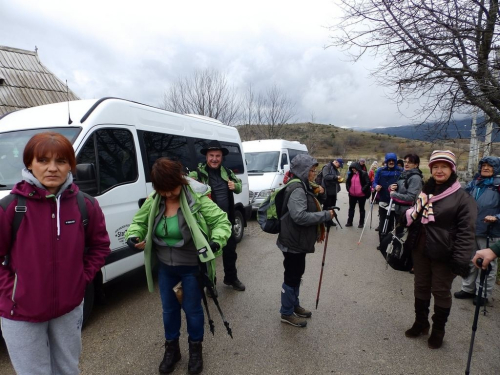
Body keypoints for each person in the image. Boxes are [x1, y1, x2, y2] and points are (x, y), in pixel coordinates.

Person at [0, 132, 110, 375]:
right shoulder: (10, 207)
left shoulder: (86, 205)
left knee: (67, 370)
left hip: (69, 309)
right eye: (43, 160)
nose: (52, 168)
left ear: (71, 165)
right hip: (20, 313)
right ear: (29, 163)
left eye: (61, 161)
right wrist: (14, 291)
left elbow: (100, 246)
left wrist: (80, 278)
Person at [126, 158, 231, 375]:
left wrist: (215, 241)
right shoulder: (155, 200)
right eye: (162, 191)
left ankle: (195, 350)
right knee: (169, 311)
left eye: (171, 189)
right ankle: (172, 350)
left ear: (180, 181)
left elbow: (222, 222)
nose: (167, 195)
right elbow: (138, 222)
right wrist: (133, 235)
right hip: (165, 267)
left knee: (192, 311)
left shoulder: (197, 199)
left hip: (191, 266)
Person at [403, 150, 476, 349]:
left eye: (444, 166)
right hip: (420, 249)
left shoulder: (462, 198)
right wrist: (409, 214)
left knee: (441, 291)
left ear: (452, 169)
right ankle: (421, 322)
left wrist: (459, 260)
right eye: (435, 166)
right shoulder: (426, 192)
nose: (439, 170)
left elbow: (466, 232)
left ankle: (438, 330)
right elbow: (414, 217)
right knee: (421, 286)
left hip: (444, 253)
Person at [277, 154, 336, 327]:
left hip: (298, 239)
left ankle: (293, 305)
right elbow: (299, 216)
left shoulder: (306, 186)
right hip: (293, 240)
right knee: (292, 275)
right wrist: (325, 215)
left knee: (297, 274)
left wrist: (320, 195)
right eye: (311, 170)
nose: (314, 173)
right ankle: (286, 312)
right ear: (302, 170)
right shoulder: (297, 189)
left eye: (314, 170)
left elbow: (309, 205)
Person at [189, 140, 245, 292]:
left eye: (218, 156)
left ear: (222, 157)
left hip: (226, 221)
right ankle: (209, 284)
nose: (214, 159)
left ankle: (231, 278)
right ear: (206, 157)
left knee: (230, 252)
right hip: (207, 223)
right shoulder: (197, 174)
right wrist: (190, 182)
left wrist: (235, 186)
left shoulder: (227, 172)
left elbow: (239, 186)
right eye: (211, 155)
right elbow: (185, 183)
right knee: (207, 255)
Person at [454, 156, 500, 306]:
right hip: (472, 229)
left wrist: (496, 217)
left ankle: (482, 293)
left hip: (491, 232)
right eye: (483, 165)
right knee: (470, 260)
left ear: (496, 168)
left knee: (487, 264)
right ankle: (468, 288)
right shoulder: (475, 183)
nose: (485, 168)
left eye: (490, 166)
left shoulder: (498, 185)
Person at [373, 153, 403, 241]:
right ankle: (382, 242)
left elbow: (405, 184)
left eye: (393, 160)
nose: (391, 162)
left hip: (396, 201)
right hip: (383, 200)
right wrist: (376, 186)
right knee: (383, 222)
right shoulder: (380, 170)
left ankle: (395, 242)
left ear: (395, 161)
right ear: (386, 161)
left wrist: (398, 186)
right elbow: (374, 182)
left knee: (397, 223)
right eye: (389, 160)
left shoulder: (401, 171)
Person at [345, 162, 371, 228]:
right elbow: (347, 182)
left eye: (354, 168)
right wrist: (349, 189)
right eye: (352, 168)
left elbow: (368, 183)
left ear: (357, 167)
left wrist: (362, 190)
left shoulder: (363, 174)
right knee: (351, 208)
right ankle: (349, 222)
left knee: (361, 209)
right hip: (352, 195)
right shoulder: (351, 174)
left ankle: (361, 223)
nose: (353, 169)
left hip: (362, 195)